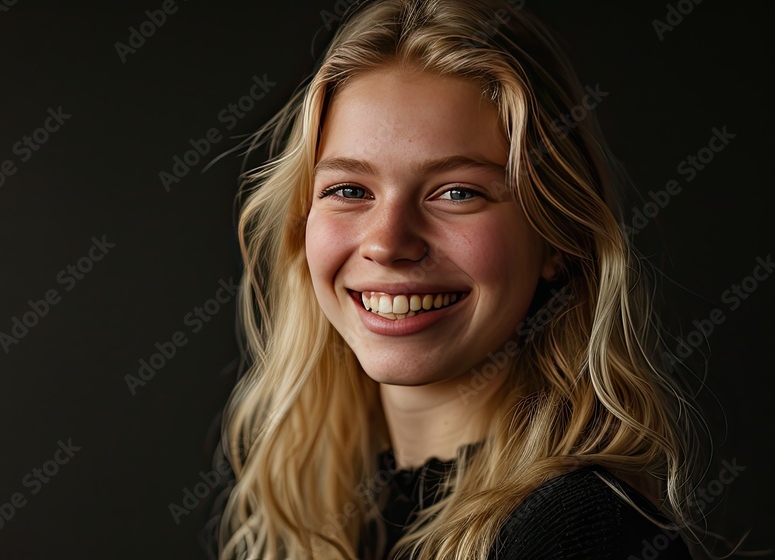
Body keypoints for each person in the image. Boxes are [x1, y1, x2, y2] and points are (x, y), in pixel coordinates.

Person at [211, 0, 707, 558]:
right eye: (349, 190)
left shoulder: (584, 533)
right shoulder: (339, 510)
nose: (387, 243)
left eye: (457, 193)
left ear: (558, 240)